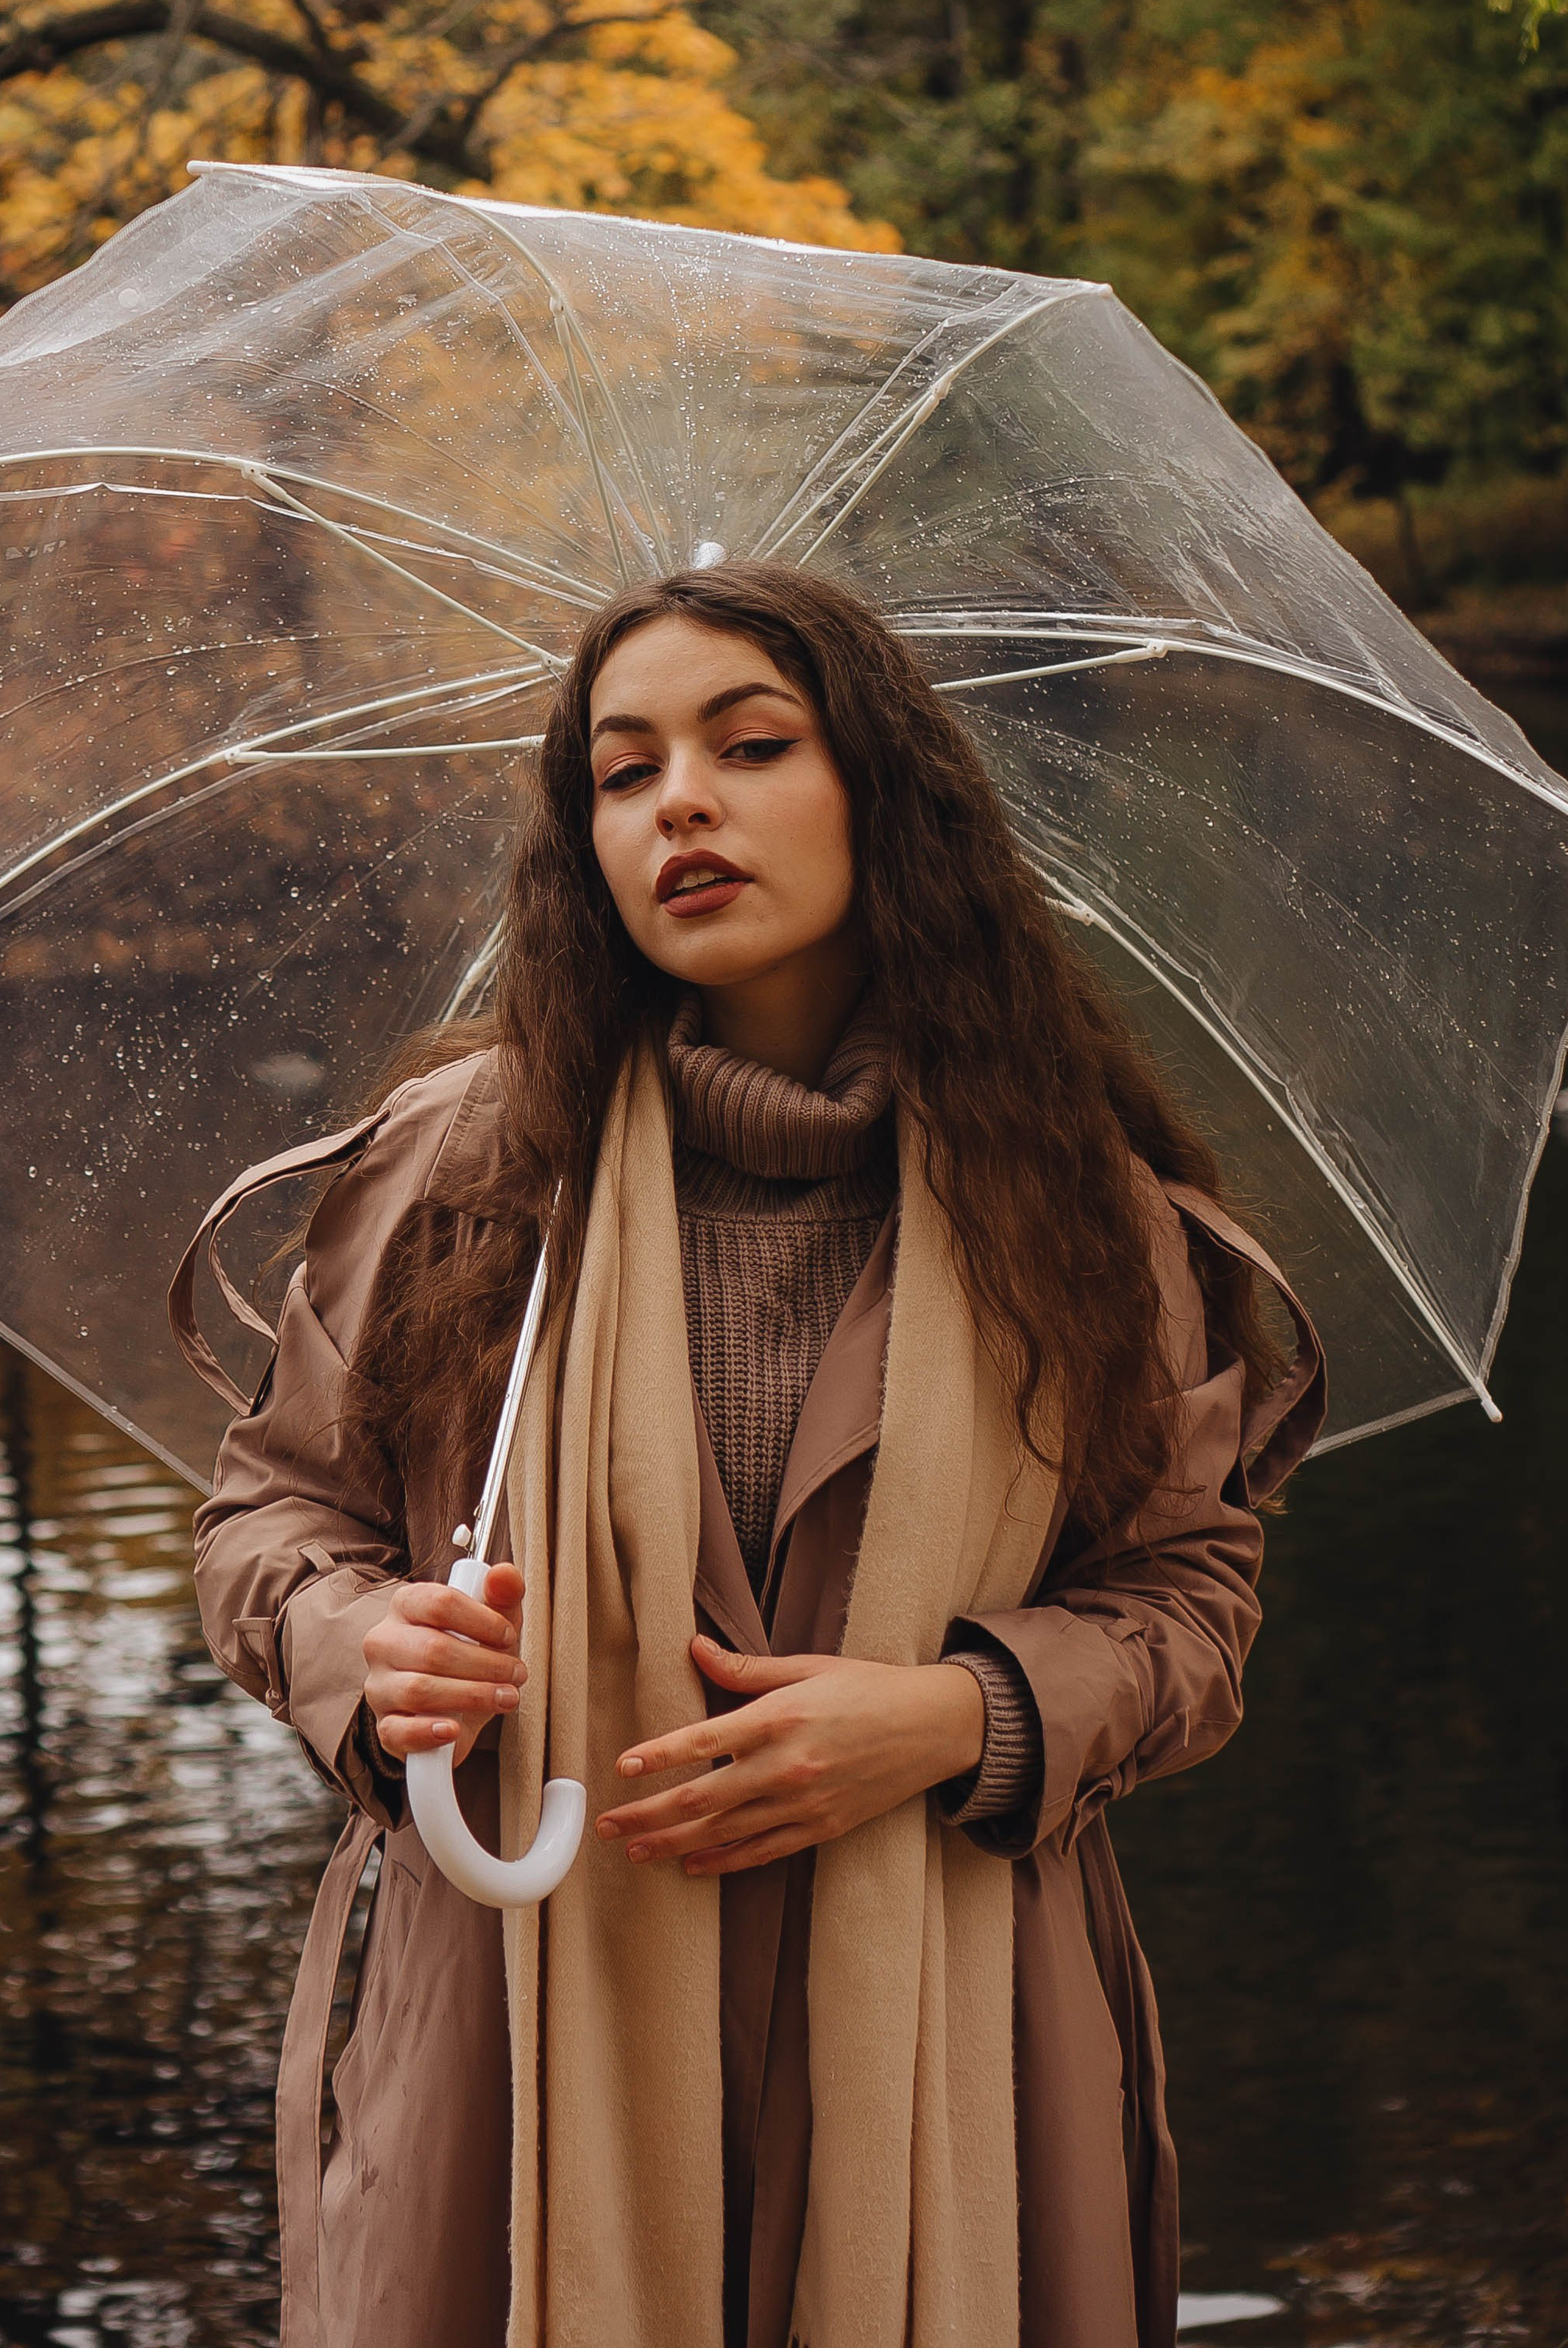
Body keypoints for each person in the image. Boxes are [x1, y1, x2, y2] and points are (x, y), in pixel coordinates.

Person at [183, 560, 1324, 2348]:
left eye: (750, 744)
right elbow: (272, 1517)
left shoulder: (1074, 1205)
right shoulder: (466, 1166)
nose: (680, 805)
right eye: (623, 771)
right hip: (520, 2001)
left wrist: (962, 1718)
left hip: (956, 2019)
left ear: (883, 792)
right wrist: (363, 1643)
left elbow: (1185, 1596)